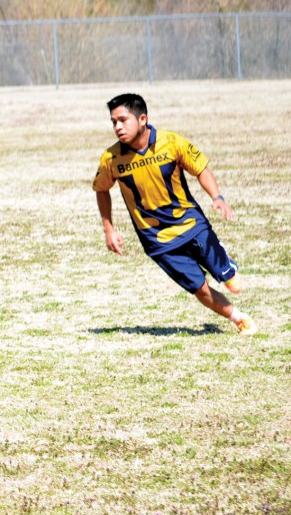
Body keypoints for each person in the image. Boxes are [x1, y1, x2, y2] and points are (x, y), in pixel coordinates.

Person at [93, 93, 255, 335]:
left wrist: (217, 197)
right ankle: (238, 317)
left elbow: (201, 169)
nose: (117, 127)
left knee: (234, 284)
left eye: (123, 120)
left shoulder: (171, 142)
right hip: (158, 241)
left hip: (191, 224)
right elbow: (101, 189)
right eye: (113, 122)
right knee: (200, 289)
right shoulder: (111, 159)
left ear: (142, 119)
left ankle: (227, 270)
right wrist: (109, 228)